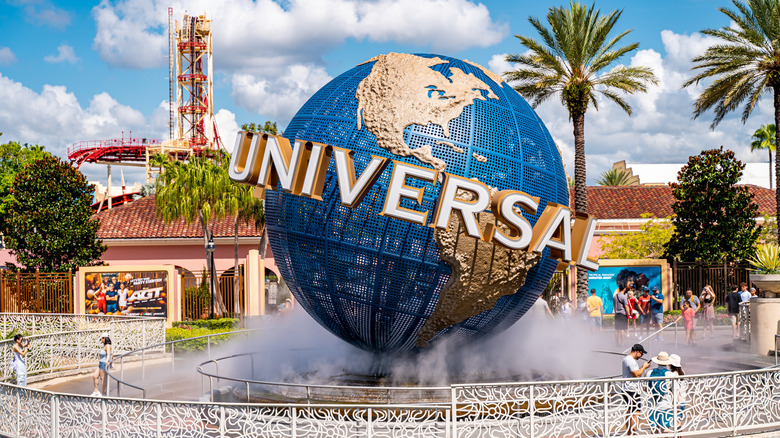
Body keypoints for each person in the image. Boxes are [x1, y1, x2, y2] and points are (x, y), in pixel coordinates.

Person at [621, 344, 651, 435]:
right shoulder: (630, 360)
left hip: (627, 388)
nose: (642, 356)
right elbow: (637, 374)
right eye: (641, 354)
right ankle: (633, 433)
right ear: (637, 352)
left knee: (630, 410)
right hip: (631, 389)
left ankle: (629, 432)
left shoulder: (626, 359)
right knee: (636, 411)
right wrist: (644, 367)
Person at [646, 351, 675, 433]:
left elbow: (645, 388)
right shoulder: (669, 374)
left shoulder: (649, 373)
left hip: (652, 404)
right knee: (665, 429)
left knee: (654, 429)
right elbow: (673, 389)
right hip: (665, 404)